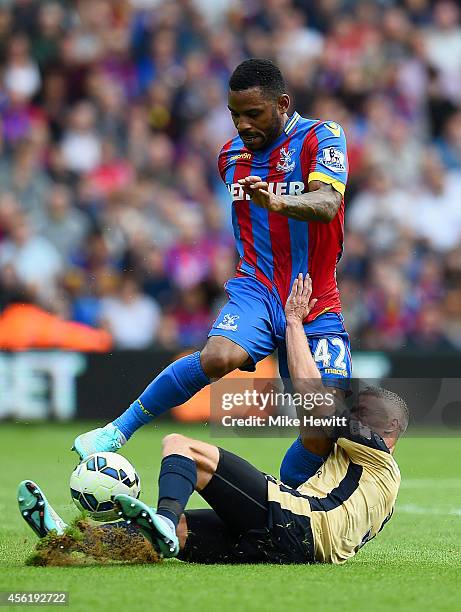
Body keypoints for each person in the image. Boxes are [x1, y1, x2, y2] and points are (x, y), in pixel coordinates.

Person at [72, 58, 352, 489]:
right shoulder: (230, 158)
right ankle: (116, 431)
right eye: (234, 114)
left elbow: (328, 203)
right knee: (218, 357)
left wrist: (279, 202)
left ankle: (283, 499)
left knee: (323, 427)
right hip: (257, 287)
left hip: (315, 298)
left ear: (282, 104)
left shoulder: (323, 136)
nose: (242, 124)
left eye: (253, 113)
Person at [18, 275, 406, 565]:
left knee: (181, 445)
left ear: (385, 432)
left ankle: (164, 521)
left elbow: (314, 402)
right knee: (186, 532)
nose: (348, 414)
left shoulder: (375, 452)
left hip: (299, 524)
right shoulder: (378, 491)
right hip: (290, 549)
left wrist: (292, 323)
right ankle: (69, 540)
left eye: (357, 414)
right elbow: (310, 450)